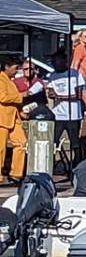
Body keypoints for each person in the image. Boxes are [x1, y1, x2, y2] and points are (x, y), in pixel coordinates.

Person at [45, 54, 86, 164]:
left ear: (64, 61)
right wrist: (54, 95)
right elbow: (51, 92)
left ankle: (76, 163)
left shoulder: (74, 74)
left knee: (74, 142)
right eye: (53, 62)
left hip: (73, 115)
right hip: (58, 114)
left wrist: (61, 97)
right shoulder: (53, 75)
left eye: (57, 61)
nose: (55, 64)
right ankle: (52, 163)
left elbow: (78, 95)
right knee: (53, 141)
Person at [0, 55, 26, 185]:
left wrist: (23, 112)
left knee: (22, 143)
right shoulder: (1, 79)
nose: (16, 71)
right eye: (15, 68)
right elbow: (3, 97)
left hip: (14, 117)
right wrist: (21, 96)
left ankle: (16, 173)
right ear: (6, 67)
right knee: (1, 148)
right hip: (2, 118)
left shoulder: (10, 81)